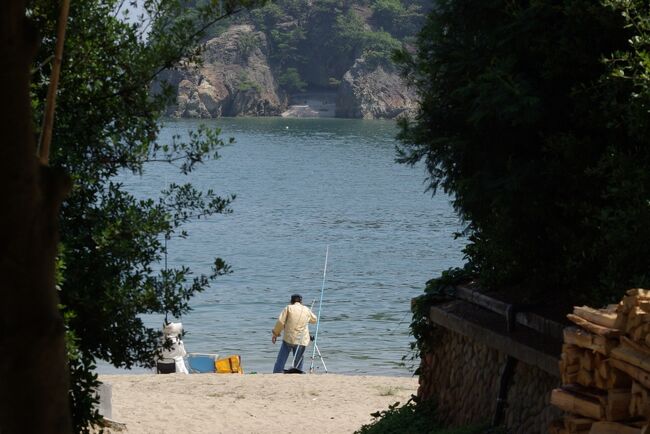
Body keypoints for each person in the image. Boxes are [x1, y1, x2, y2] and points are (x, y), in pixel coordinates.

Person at [272, 294, 317, 373]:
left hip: (288, 338)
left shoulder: (288, 308)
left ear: (291, 301)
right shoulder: (306, 309)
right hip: (301, 339)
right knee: (298, 360)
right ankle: (298, 371)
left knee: (281, 358)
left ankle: (278, 371)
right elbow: (314, 320)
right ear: (301, 301)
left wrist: (275, 334)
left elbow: (280, 322)